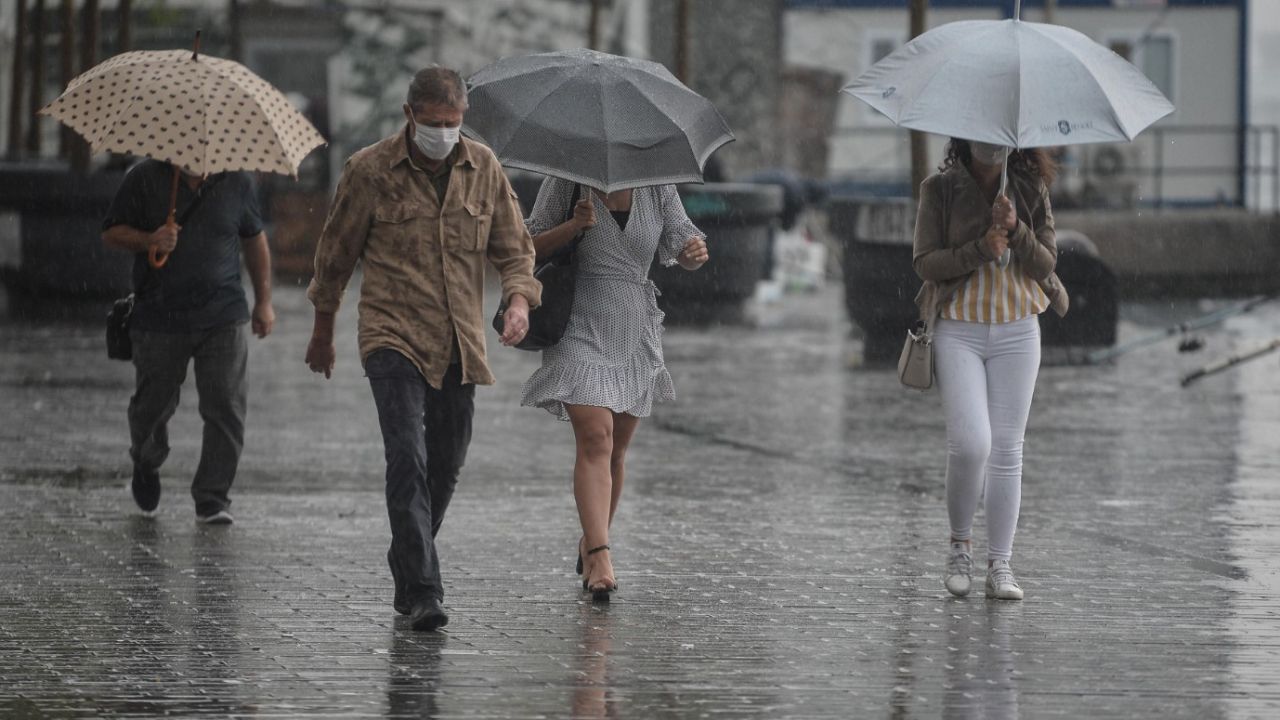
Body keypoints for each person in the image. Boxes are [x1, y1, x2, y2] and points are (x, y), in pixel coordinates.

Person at [304, 67, 541, 631]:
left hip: (460, 339)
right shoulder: (369, 171)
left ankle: (408, 555)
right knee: (406, 455)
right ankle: (423, 591)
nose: (443, 133)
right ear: (410, 115)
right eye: (433, 123)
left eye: (453, 123)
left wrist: (518, 302)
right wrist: (321, 330)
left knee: (447, 464)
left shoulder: (483, 167)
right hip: (392, 334)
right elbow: (335, 257)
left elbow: (515, 251)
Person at [519, 177, 709, 601]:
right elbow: (525, 244)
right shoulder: (566, 181)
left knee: (616, 451)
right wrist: (571, 227)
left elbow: (683, 239)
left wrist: (693, 253)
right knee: (595, 438)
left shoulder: (657, 185)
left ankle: (591, 540)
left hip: (634, 328)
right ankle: (602, 554)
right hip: (578, 322)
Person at [911, 138, 1068, 601]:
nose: (991, 147)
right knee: (970, 444)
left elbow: (1046, 262)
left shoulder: (1030, 186)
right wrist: (982, 246)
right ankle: (960, 544)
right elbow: (925, 262)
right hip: (959, 327)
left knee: (1006, 449)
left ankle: (1000, 562)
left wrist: (1017, 229)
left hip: (1019, 329)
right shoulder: (938, 189)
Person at [102, 160, 275, 525]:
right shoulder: (144, 178)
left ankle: (213, 497)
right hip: (159, 317)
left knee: (226, 406)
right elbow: (111, 233)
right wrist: (150, 239)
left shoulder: (238, 181)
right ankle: (146, 461)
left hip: (223, 314)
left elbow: (254, 238)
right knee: (152, 406)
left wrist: (263, 301)